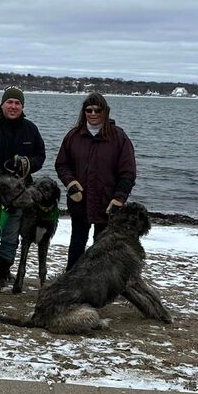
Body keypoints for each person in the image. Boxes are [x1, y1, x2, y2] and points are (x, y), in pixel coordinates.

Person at [54, 92, 137, 271]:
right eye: (88, 110)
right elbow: (62, 164)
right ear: (84, 112)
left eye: (97, 110)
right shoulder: (73, 136)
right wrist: (71, 183)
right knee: (77, 243)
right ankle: (70, 281)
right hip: (79, 202)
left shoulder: (119, 138)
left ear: (105, 112)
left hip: (107, 204)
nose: (92, 113)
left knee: (103, 248)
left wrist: (119, 198)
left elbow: (128, 173)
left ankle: (100, 285)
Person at [0, 86, 46, 290]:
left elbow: (40, 156)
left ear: (22, 106)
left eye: (17, 103)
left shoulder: (30, 129)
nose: (13, 106)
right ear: (2, 104)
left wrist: (27, 163)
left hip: (18, 195)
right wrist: (3, 182)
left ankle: (2, 272)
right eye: (10, 102)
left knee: (11, 236)